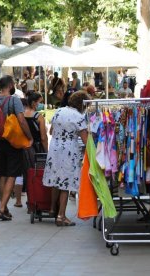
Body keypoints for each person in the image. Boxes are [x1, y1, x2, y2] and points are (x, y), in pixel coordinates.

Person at [42, 91, 89, 227]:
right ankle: (61, 216)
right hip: (69, 149)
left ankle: (52, 208)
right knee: (66, 183)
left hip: (55, 147)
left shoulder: (59, 111)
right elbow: (85, 140)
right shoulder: (79, 117)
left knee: (56, 179)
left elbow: (51, 131)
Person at [0, 75, 33, 221]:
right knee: (12, 174)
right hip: (12, 141)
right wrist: (29, 137)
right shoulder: (14, 99)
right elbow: (21, 120)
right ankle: (2, 208)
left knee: (2, 174)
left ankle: (5, 207)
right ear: (10, 85)